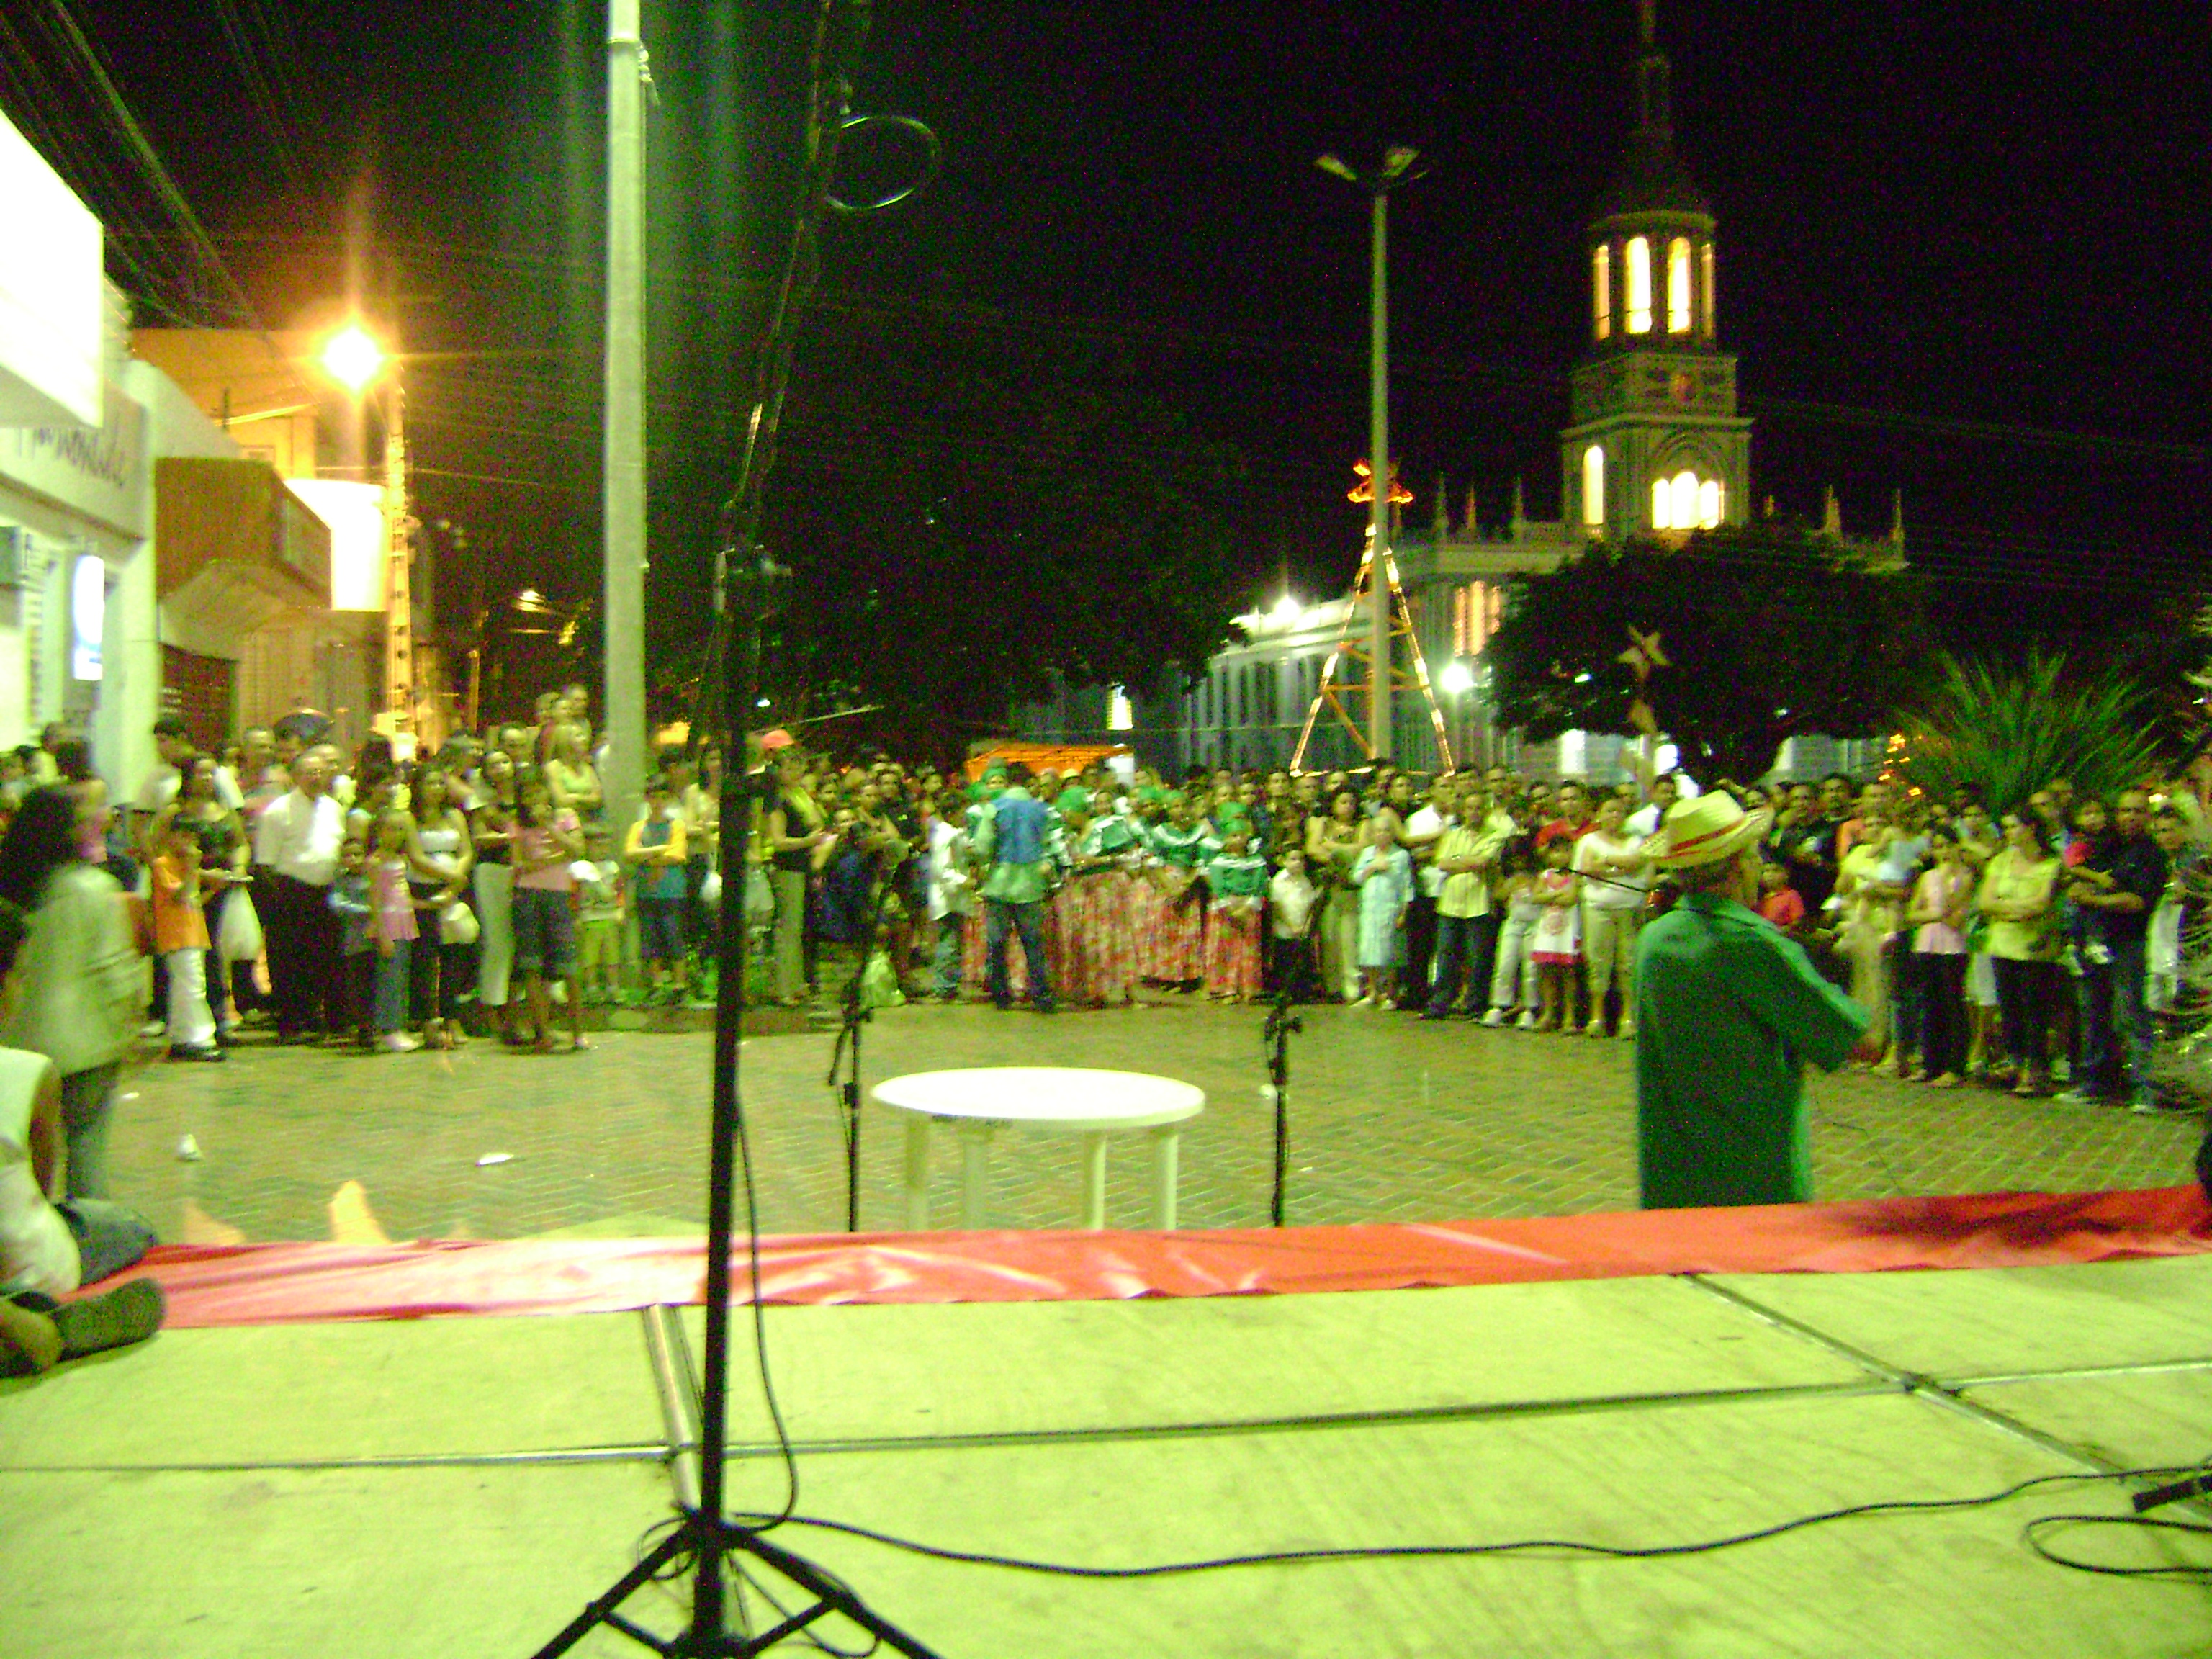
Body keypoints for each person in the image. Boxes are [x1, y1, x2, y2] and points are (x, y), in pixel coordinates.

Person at [1633, 791, 1878, 1209]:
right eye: (1754, 856)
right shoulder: (1753, 944)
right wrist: (1870, 958)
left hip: (1672, 1178)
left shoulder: (1653, 938)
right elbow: (1864, 1042)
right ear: (1738, 865)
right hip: (1752, 1178)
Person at [0, 898, 166, 1380]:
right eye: (19, 977)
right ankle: (36, 1322)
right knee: (127, 1228)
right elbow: (40, 1188)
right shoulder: (30, 1072)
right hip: (29, 1263)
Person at [0, 789, 140, 1198]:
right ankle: (87, 1228)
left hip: (20, 1040)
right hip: (87, 1043)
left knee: (20, 1154)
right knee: (86, 1147)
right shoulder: (94, 888)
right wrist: (130, 1027)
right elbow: (115, 969)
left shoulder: (13, 890)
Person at [2064, 787, 2167, 1112]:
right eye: (2125, 810)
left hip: (2130, 943)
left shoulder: (2150, 854)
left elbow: (2137, 901)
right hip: (2096, 941)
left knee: (2132, 1015)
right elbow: (2080, 874)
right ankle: (2094, 1082)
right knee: (2093, 1013)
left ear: (2148, 816)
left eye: (2137, 811)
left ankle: (2144, 1088)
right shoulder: (2109, 847)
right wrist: (2081, 888)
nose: (2130, 817)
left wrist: (2094, 899)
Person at [254, 749, 346, 1043]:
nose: (316, 778)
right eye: (309, 772)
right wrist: (283, 895)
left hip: (327, 892)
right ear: (295, 776)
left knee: (322, 957)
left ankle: (314, 1015)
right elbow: (265, 863)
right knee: (288, 959)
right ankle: (290, 1020)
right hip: (291, 892)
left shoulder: (333, 807)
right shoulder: (278, 811)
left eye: (320, 772)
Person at [510, 769, 588, 1052]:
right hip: (528, 895)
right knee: (532, 965)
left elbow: (577, 849)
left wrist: (549, 827)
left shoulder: (566, 816)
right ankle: (543, 1031)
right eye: (527, 794)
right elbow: (519, 865)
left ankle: (578, 1032)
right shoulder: (517, 824)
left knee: (568, 965)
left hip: (559, 894)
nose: (534, 798)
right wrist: (555, 858)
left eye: (538, 791)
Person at [973, 763, 1059, 1014]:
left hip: (1000, 883)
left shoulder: (995, 808)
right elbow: (1050, 844)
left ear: (1008, 781)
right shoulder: (1042, 810)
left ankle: (1001, 994)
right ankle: (1041, 995)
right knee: (1033, 944)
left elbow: (982, 846)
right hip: (1031, 884)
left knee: (998, 943)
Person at [1574, 793, 1652, 1038]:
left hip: (1630, 907)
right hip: (1598, 907)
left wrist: (1607, 862)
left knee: (1628, 962)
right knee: (1598, 960)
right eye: (1609, 811)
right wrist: (1621, 868)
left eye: (1619, 811)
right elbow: (1587, 869)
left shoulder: (1637, 840)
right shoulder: (1588, 841)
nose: (1615, 815)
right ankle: (1597, 1016)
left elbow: (1637, 862)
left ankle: (1628, 1017)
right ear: (1599, 814)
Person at [1905, 826, 1975, 1087]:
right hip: (1928, 943)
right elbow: (1913, 913)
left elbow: (1953, 913)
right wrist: (1933, 915)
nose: (1943, 852)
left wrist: (1946, 882)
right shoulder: (1927, 877)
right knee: (1930, 1004)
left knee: (1952, 1003)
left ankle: (1955, 1066)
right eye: (1938, 847)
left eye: (1948, 845)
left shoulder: (1965, 877)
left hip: (1952, 946)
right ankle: (1930, 1063)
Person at [150, 819, 223, 1062]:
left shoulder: (184, 866)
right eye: (184, 836)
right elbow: (179, 896)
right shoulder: (163, 864)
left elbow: (193, 901)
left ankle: (183, 1036)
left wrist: (213, 888)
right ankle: (197, 1038)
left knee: (189, 986)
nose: (189, 843)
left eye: (192, 838)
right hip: (177, 935)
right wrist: (193, 869)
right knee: (191, 987)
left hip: (193, 932)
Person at [626, 778, 690, 1006]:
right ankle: (656, 984)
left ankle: (680, 984)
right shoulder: (639, 827)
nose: (658, 803)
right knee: (649, 938)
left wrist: (647, 857)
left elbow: (678, 855)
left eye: (663, 798)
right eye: (654, 797)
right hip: (646, 892)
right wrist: (660, 851)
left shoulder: (676, 825)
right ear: (647, 798)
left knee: (673, 936)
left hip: (672, 891)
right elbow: (629, 853)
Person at [366, 808, 423, 1053]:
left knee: (401, 976)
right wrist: (382, 933)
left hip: (403, 918)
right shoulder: (375, 862)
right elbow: (375, 900)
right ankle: (388, 1028)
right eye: (391, 829)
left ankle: (399, 1024)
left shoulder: (400, 858)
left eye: (401, 829)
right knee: (389, 978)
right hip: (388, 921)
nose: (397, 834)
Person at [1348, 817, 1411, 1009]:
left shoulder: (1401, 855)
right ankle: (1372, 992)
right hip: (1369, 909)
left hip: (1390, 908)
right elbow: (1356, 878)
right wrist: (1372, 867)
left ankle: (1390, 994)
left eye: (1386, 830)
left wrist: (1403, 913)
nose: (1382, 835)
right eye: (1378, 831)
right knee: (1368, 952)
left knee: (1390, 953)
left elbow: (1407, 886)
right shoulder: (1367, 853)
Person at [575, 826, 628, 1007]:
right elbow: (574, 894)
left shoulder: (612, 867)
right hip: (589, 918)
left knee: (612, 957)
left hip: (609, 917)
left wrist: (620, 909)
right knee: (589, 958)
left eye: (606, 846)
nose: (603, 850)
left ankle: (614, 988)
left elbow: (619, 889)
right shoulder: (581, 868)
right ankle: (592, 989)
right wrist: (576, 916)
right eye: (598, 846)